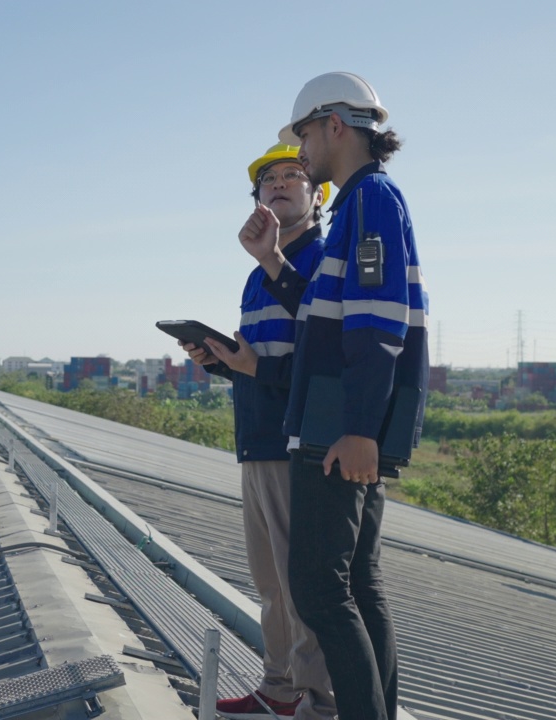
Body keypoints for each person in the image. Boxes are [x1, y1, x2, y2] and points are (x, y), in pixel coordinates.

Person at [238, 72, 429, 720]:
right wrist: (274, 264)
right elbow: (328, 313)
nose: (302, 157)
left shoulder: (370, 200)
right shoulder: (359, 204)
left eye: (304, 141)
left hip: (337, 427)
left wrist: (358, 428)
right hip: (338, 421)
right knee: (360, 586)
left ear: (334, 127)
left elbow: (377, 320)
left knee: (319, 588)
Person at [181, 144, 335, 720]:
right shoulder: (255, 276)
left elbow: (324, 363)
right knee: (270, 584)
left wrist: (273, 263)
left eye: (294, 175)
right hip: (257, 439)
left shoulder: (324, 262)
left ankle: (319, 705)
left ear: (317, 194)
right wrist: (220, 361)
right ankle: (278, 688)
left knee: (303, 588)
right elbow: (266, 361)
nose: (279, 184)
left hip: (297, 446)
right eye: (268, 179)